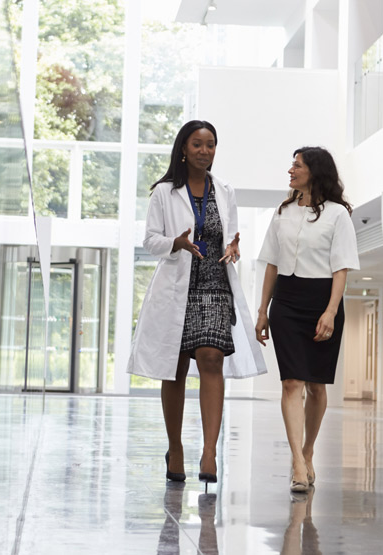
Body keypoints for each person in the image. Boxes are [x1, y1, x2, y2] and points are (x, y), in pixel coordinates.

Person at [128, 120, 266, 487]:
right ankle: (175, 447)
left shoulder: (225, 190)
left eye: (211, 145)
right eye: (197, 144)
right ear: (184, 149)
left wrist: (234, 248)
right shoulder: (163, 192)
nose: (205, 151)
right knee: (174, 368)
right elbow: (150, 241)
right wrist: (175, 242)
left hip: (214, 284)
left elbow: (230, 236)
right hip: (177, 287)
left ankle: (209, 451)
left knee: (211, 358)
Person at [255, 146, 359, 492]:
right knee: (290, 383)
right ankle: (297, 463)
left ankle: (309, 449)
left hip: (321, 300)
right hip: (286, 300)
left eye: (297, 165)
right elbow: (271, 261)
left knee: (316, 385)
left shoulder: (337, 215)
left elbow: (341, 268)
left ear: (314, 171)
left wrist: (330, 311)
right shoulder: (283, 212)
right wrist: (262, 310)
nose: (290, 170)